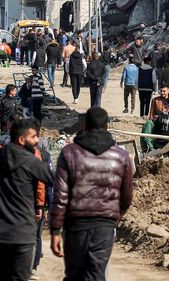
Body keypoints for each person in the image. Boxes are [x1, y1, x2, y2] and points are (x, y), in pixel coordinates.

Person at [49, 107, 133, 280]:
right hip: (104, 224)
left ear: (85, 125)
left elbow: (60, 195)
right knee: (96, 273)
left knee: (74, 274)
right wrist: (116, 215)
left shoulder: (69, 152)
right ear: (107, 126)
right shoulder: (121, 155)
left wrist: (56, 229)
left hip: (75, 225)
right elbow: (127, 196)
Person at [0, 123, 54, 281]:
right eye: (34, 137)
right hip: (23, 234)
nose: (37, 141)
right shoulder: (32, 162)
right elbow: (54, 181)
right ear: (22, 140)